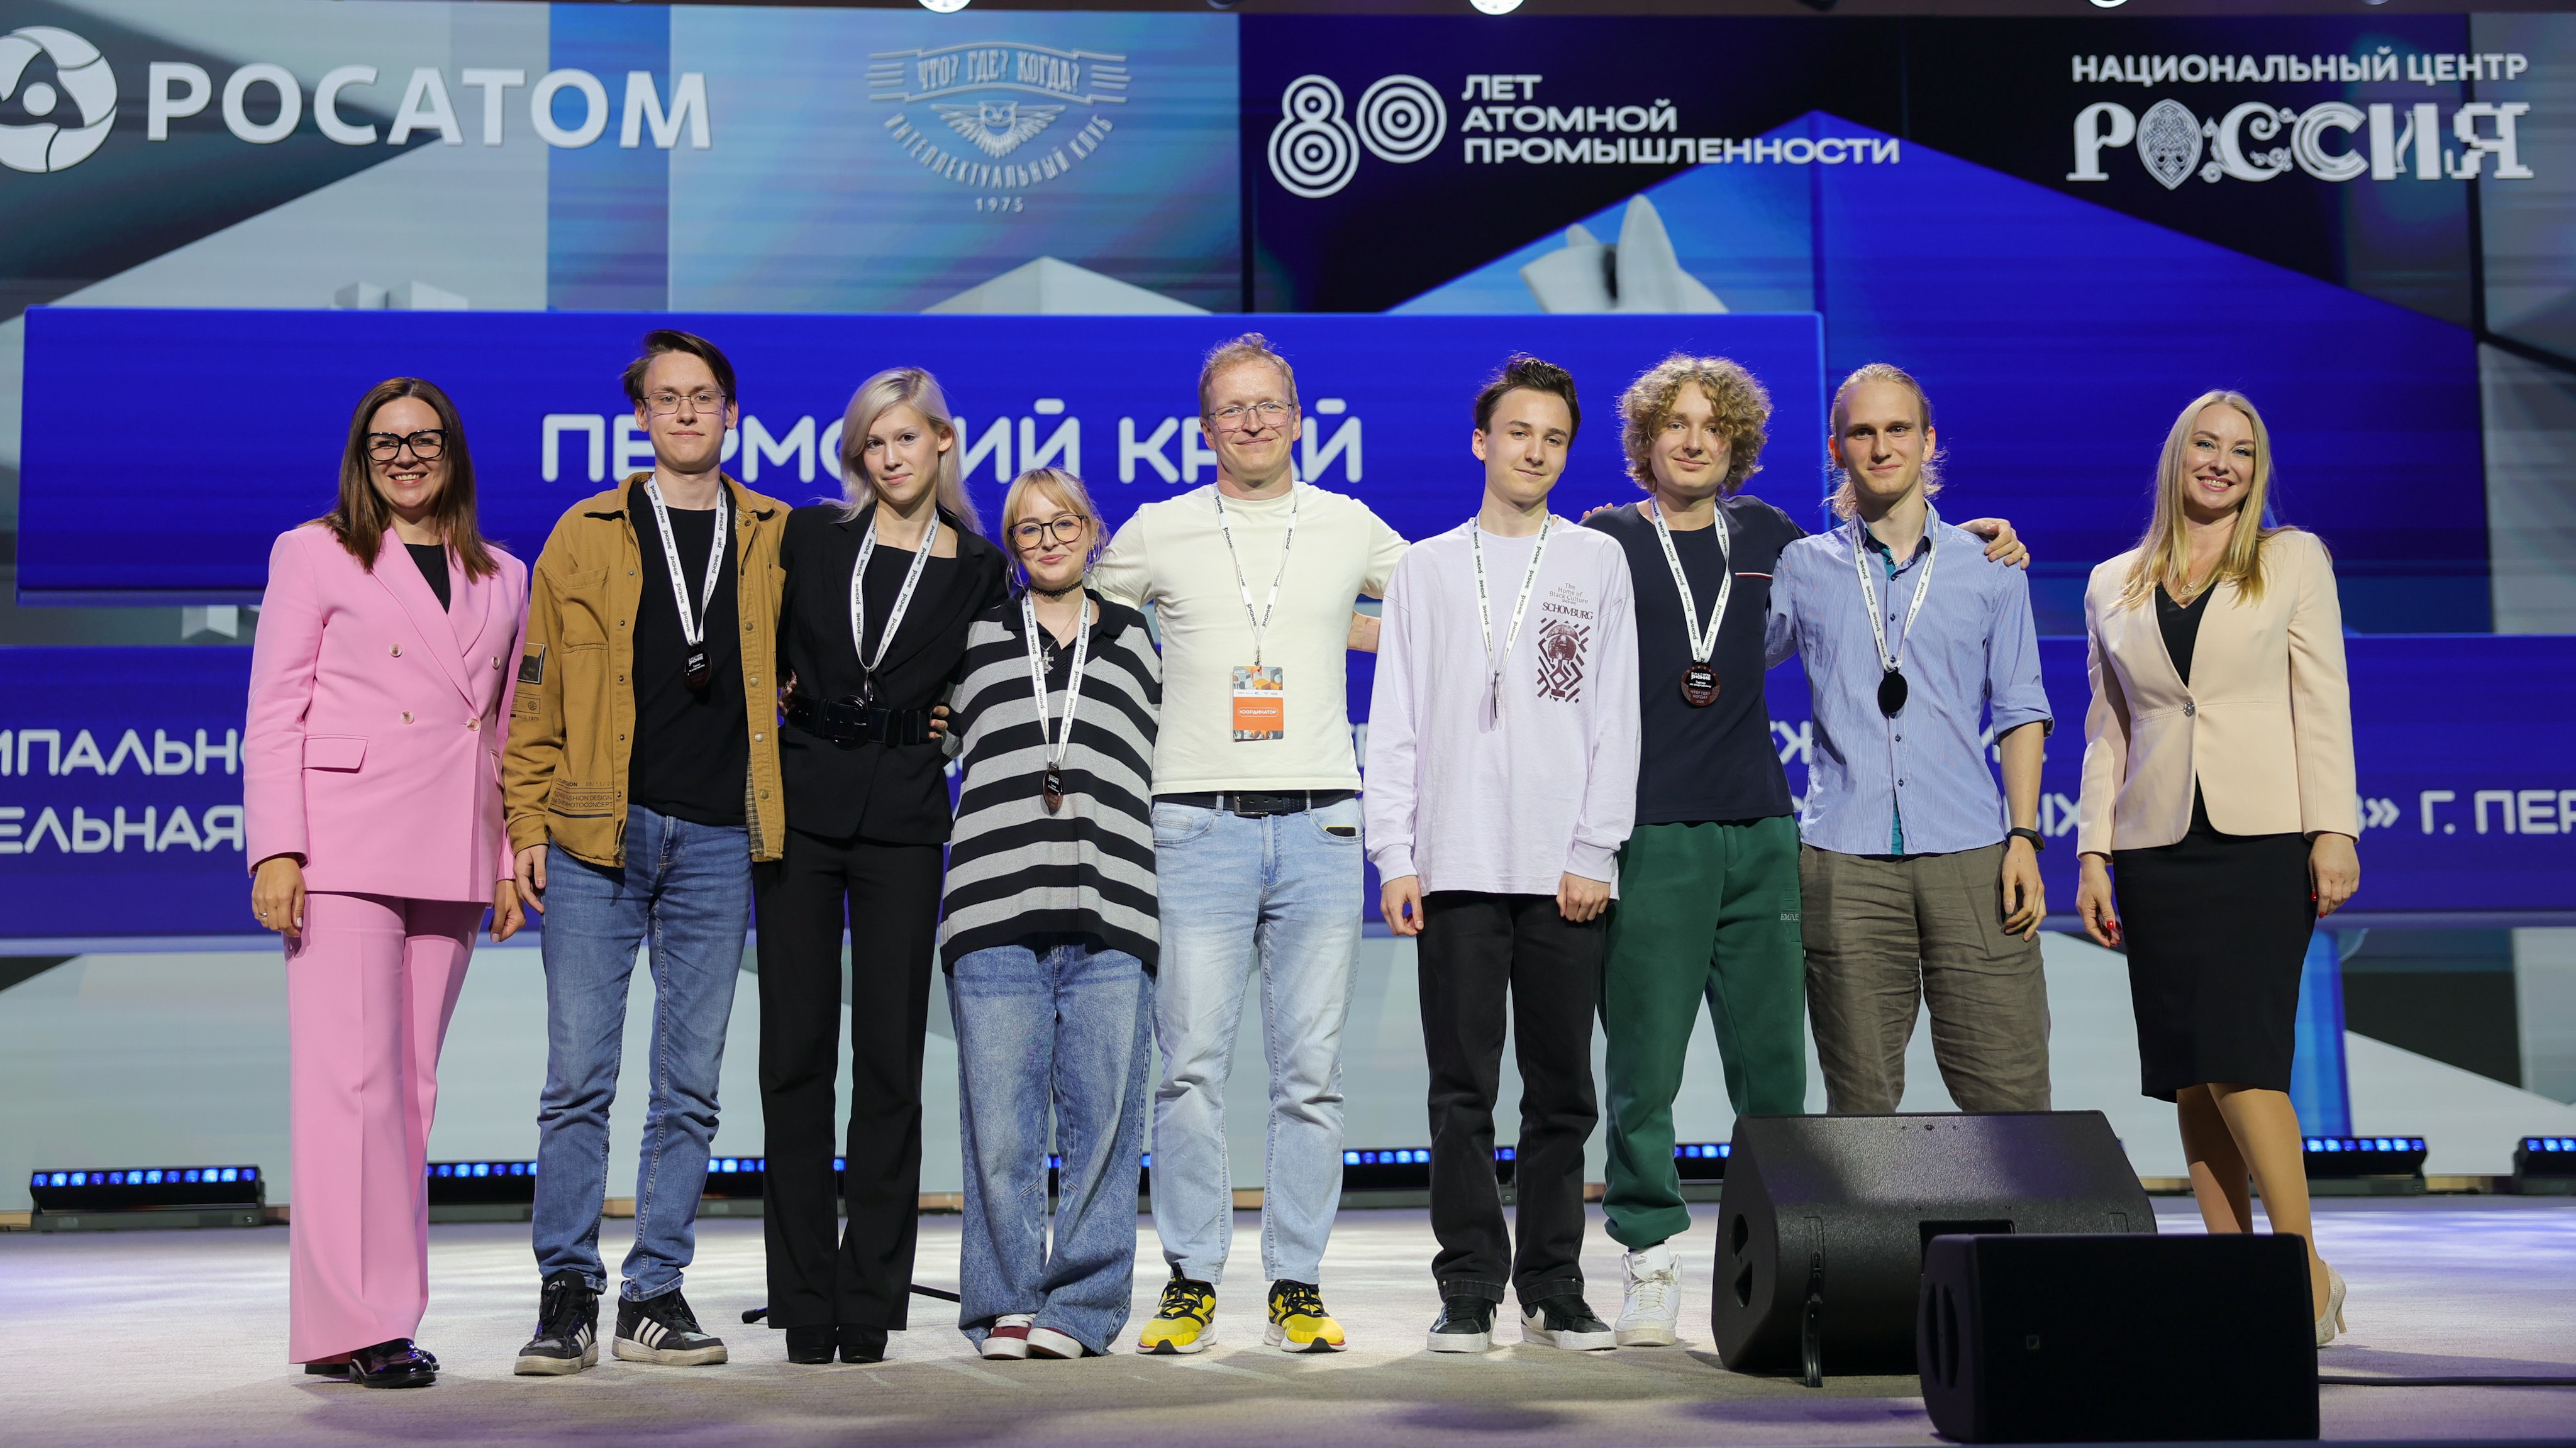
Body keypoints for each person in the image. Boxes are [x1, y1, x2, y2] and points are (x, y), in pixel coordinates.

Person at [1582, 356, 2028, 1345]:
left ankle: (1776, 1251)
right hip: (1650, 829)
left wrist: (1980, 537)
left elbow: (1872, 567)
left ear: (1739, 442)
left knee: (1777, 1073)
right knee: (1645, 1067)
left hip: (1764, 828)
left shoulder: (1773, 539)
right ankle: (1649, 1255)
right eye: (1675, 423)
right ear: (1646, 439)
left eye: (1714, 425)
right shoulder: (1602, 542)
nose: (1695, 439)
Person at [1094, 334, 1407, 1355]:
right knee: (1187, 1068)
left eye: (1269, 404)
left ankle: (1296, 1281)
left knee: (1309, 1075)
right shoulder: (1161, 528)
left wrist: (1350, 629)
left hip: (1322, 823)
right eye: (1233, 408)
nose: (1253, 422)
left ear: (1298, 417)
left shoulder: (1347, 523)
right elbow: (1080, 624)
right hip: (1195, 823)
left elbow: (1440, 601)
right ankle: (1191, 1278)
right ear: (1205, 428)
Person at [505, 330, 791, 1375]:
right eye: (666, 398)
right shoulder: (583, 532)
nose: (685, 412)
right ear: (639, 416)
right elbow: (534, 694)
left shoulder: (776, 533)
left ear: (730, 413)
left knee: (690, 1086)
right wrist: (524, 826)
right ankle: (567, 1290)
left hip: (719, 837)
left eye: (702, 396)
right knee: (578, 1078)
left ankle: (655, 1288)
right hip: (595, 834)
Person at [246, 377, 528, 1388]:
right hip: (345, 847)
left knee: (408, 1093)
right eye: (386, 442)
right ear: (361, 458)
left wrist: (506, 856)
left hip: (453, 847)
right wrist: (277, 848)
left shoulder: (504, 574)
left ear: (453, 450)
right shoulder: (313, 551)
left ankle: (386, 1317)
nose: (406, 457)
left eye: (423, 439)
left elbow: (503, 731)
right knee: (349, 1089)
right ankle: (349, 1321)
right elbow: (274, 709)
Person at [2073, 390, 2358, 1346]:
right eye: (2206, 444)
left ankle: (2301, 1274)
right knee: (2191, 1073)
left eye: (2241, 450)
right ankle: (2236, 1278)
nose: (2221, 462)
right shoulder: (2112, 581)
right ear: (2177, 455)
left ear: (2256, 469)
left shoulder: (2293, 558)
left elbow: (2323, 699)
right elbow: (2107, 727)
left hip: (2263, 840)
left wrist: (2335, 828)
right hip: (2154, 847)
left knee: (2242, 1057)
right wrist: (2092, 850)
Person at [1368, 355, 1639, 1354]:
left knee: (1562, 1090)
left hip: (1566, 870)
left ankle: (1555, 1283)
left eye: (1555, 438)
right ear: (1482, 440)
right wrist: (1395, 853)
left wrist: (1595, 847)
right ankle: (1471, 1284)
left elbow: (1617, 715)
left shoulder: (1595, 561)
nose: (1536, 451)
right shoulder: (1427, 568)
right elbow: (1395, 718)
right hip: (1456, 864)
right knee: (1461, 1092)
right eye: (1519, 432)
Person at [758, 367, 1009, 1365]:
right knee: (795, 1057)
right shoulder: (812, 535)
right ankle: (801, 1297)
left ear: (943, 440)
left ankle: (868, 1296)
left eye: (907, 437)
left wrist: (949, 727)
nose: (891, 456)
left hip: (906, 816)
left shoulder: (979, 565)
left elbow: (986, 688)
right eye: (874, 442)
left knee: (891, 1063)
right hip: (803, 807)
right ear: (857, 455)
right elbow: (762, 649)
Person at [1765, 363, 2054, 1118]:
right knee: (1861, 1107)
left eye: (1898, 428)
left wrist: (2023, 836)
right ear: (1837, 448)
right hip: (1843, 860)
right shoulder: (1802, 567)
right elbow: (1723, 657)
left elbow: (2021, 708)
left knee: (2010, 1097)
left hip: (1972, 854)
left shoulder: (1990, 566)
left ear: (1928, 441)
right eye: (1862, 432)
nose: (1881, 446)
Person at [941, 467, 1163, 1362]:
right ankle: (1004, 1301)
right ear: (1012, 546)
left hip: (1114, 905)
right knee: (1001, 1127)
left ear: (1093, 530)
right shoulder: (976, 636)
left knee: (1105, 1123)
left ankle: (1080, 1306)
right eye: (1029, 529)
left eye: (1063, 522)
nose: (1048, 540)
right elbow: (935, 735)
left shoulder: (1139, 637)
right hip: (992, 907)